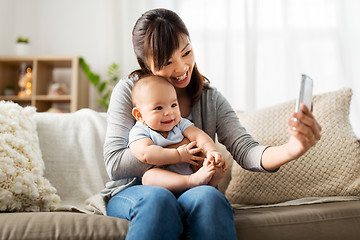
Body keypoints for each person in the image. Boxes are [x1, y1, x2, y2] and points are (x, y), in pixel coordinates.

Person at [102, 8, 322, 240]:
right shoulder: (130, 91)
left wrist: (292, 148)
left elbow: (246, 150)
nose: (181, 67)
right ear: (145, 63)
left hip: (193, 189)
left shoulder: (210, 99)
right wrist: (182, 152)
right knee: (158, 198)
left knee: (209, 198)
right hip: (137, 191)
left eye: (186, 52)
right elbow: (115, 164)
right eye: (167, 61)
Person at [129, 74, 227, 194]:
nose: (169, 112)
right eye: (159, 108)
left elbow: (199, 136)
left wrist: (212, 151)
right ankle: (191, 181)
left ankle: (211, 180)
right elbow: (145, 153)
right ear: (139, 115)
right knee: (148, 177)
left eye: (173, 105)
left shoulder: (180, 124)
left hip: (191, 173)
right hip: (164, 183)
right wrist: (178, 155)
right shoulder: (140, 130)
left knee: (202, 156)